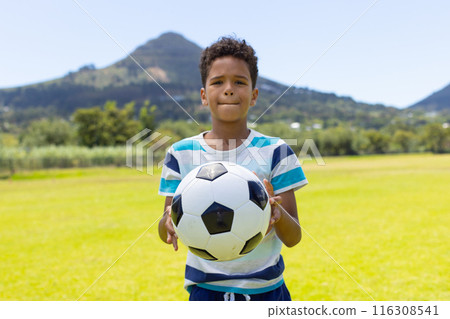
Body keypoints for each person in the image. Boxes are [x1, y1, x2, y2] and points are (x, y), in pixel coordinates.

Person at [158, 36, 308, 301]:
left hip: (268, 291)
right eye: (217, 82)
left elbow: (293, 236)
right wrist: (168, 223)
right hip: (206, 292)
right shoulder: (179, 154)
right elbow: (165, 225)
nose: (228, 89)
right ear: (204, 96)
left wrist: (275, 211)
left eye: (239, 82)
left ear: (254, 96)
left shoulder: (277, 151)